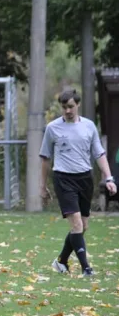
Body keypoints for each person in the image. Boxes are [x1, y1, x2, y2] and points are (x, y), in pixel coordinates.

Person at [40, 89, 117, 277]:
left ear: (78, 105)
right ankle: (86, 269)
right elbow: (45, 158)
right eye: (64, 107)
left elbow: (99, 154)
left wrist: (109, 178)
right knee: (76, 226)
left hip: (85, 178)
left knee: (83, 226)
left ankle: (61, 261)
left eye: (71, 107)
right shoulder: (52, 128)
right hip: (63, 178)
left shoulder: (89, 126)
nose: (67, 111)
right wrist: (42, 186)